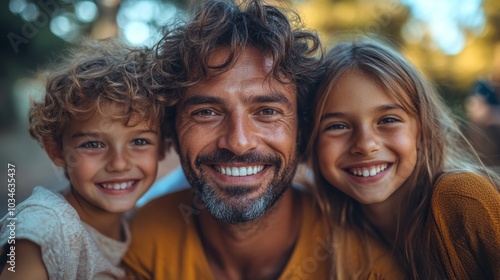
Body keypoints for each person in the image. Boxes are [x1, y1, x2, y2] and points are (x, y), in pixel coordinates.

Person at [122, 0, 404, 279]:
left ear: (302, 130)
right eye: (206, 112)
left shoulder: (364, 263)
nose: (239, 142)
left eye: (267, 111)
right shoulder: (141, 238)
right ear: (172, 127)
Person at [306, 38, 500, 279]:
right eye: (337, 126)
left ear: (423, 129)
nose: (366, 146)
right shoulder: (326, 231)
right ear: (310, 142)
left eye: (388, 120)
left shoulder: (461, 197)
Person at [0, 38, 172, 279]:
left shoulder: (140, 222)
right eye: (93, 144)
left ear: (163, 147)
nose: (119, 163)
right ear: (57, 151)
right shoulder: (46, 228)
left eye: (139, 142)